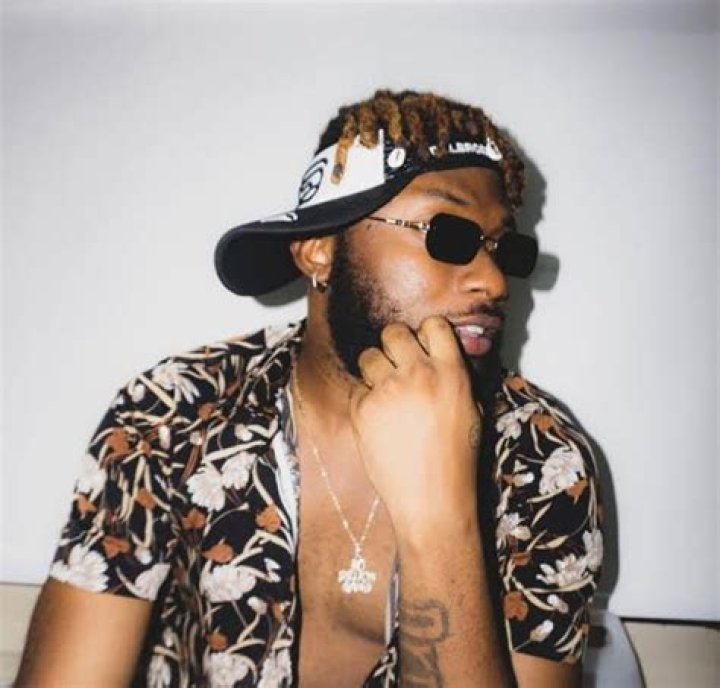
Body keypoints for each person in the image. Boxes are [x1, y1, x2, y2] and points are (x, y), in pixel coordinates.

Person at [16, 89, 603, 687]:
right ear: (319, 251)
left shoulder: (541, 462)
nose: (494, 281)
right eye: (447, 235)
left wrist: (440, 518)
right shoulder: (174, 413)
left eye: (506, 250)